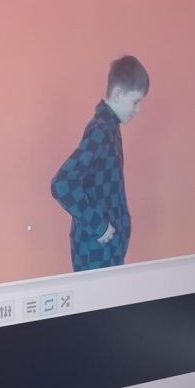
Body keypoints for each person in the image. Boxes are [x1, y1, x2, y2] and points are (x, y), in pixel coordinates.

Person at [50, 56, 149, 271]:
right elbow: (62, 183)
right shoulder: (101, 131)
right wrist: (99, 225)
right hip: (95, 252)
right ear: (118, 94)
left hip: (107, 250)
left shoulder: (111, 128)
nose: (138, 110)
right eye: (135, 102)